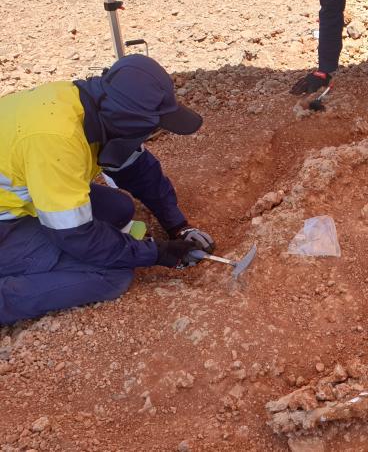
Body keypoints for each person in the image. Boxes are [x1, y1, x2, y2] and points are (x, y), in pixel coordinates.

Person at [0, 54, 214, 324]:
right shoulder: (57, 140)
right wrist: (156, 253)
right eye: (150, 127)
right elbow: (77, 236)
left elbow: (139, 171)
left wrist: (179, 226)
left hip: (17, 197)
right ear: (126, 120)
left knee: (119, 209)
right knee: (111, 275)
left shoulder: (91, 107)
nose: (151, 134)